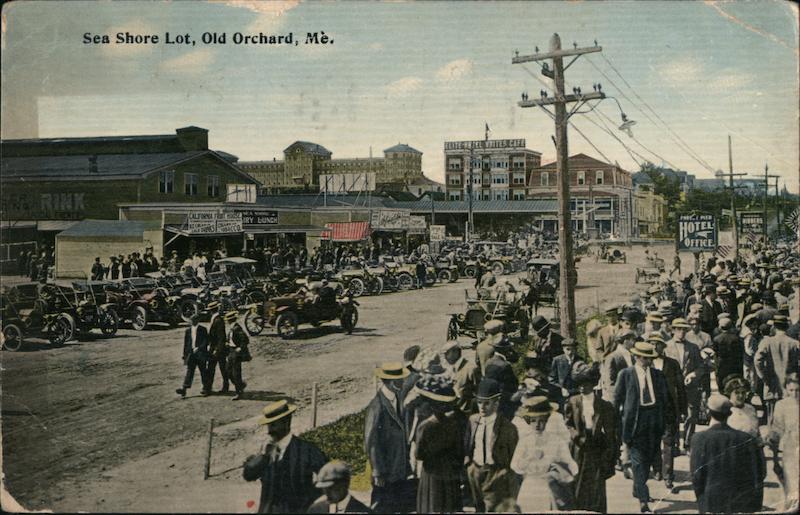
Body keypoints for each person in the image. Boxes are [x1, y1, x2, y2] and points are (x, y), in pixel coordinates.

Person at [243, 400, 328, 513]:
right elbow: (248, 475)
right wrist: (264, 456)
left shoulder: (306, 449)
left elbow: (331, 476)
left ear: (286, 422)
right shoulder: (265, 453)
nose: (270, 430)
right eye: (268, 425)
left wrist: (309, 500)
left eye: (273, 424)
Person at [614, 341, 669, 513]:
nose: (649, 361)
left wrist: (668, 421)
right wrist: (616, 424)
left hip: (653, 420)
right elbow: (617, 400)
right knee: (637, 461)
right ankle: (643, 500)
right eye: (646, 358)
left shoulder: (658, 375)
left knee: (647, 461)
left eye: (650, 358)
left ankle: (637, 488)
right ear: (637, 357)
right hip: (634, 422)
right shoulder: (626, 374)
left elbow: (665, 400)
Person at [689, 394, 765, 513]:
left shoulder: (699, 439)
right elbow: (759, 473)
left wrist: (701, 500)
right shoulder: (746, 439)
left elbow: (697, 476)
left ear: (709, 413)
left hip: (711, 501)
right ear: (729, 414)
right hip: (740, 503)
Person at [565, 361, 618, 513]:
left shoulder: (604, 406)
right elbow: (567, 424)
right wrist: (576, 436)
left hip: (596, 449)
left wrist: (609, 455)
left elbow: (610, 433)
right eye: (579, 384)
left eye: (586, 383)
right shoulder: (573, 402)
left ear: (593, 384)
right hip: (578, 449)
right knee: (577, 485)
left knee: (596, 488)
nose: (582, 387)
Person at [364, 362, 415, 514]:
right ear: (390, 382)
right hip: (385, 467)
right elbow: (371, 441)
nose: (403, 382)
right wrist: (377, 471)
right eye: (399, 380)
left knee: (398, 502)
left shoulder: (397, 398)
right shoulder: (377, 406)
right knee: (382, 504)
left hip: (398, 464)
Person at [511, 395, 577, 512]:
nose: (537, 425)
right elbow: (514, 465)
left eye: (541, 420)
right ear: (528, 421)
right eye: (533, 421)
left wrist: (557, 469)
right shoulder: (525, 441)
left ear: (547, 420)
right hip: (529, 486)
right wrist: (528, 460)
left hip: (549, 487)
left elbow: (572, 465)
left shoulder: (556, 441)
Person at [414, 374, 467, 513]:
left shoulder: (425, 426)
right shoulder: (454, 423)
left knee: (431, 505)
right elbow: (460, 450)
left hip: (431, 474)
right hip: (450, 473)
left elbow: (419, 454)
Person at [466, 378, 519, 513]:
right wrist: (470, 465)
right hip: (476, 471)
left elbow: (513, 456)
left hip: (495, 472)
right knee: (478, 508)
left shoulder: (507, 427)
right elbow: (468, 444)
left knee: (492, 508)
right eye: (479, 403)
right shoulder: (473, 421)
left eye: (486, 403)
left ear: (496, 403)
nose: (482, 407)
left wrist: (503, 473)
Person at [650, 332, 685, 491]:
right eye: (652, 343)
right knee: (652, 442)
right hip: (650, 410)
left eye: (658, 343)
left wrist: (683, 409)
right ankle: (657, 469)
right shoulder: (646, 364)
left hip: (669, 409)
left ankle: (668, 476)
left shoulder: (672, 364)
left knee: (668, 443)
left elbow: (680, 387)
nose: (655, 346)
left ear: (663, 346)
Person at [665, 317, 704, 454]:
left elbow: (701, 367)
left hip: (690, 387)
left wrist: (693, 375)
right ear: (673, 330)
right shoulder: (666, 347)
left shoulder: (693, 347)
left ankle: (688, 444)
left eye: (684, 329)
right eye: (678, 329)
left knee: (690, 415)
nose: (681, 332)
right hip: (672, 388)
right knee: (673, 416)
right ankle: (674, 444)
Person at [755, 315, 799, 422]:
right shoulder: (794, 343)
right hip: (790, 385)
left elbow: (757, 360)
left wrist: (763, 376)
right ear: (787, 326)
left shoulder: (766, 342)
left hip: (772, 385)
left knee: (772, 418)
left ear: (774, 327)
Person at [767, 373, 799, 511]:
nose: (794, 394)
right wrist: (775, 458)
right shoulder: (781, 405)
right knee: (791, 486)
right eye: (791, 390)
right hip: (789, 450)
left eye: (798, 390)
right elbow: (776, 430)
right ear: (786, 388)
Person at [483, 336, 519, 419]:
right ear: (505, 349)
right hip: (503, 402)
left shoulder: (489, 362)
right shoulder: (505, 365)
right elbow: (512, 385)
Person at [176, 314, 210, 398]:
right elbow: (186, 344)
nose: (192, 322)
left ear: (197, 320)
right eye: (191, 320)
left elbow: (206, 341)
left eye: (194, 320)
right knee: (190, 371)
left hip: (200, 354)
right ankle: (184, 389)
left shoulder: (203, 329)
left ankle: (206, 389)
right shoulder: (188, 330)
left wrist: (199, 348)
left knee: (203, 371)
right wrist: (184, 355)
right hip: (191, 354)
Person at [443, 340, 480, 415]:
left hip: (466, 414)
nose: (445, 357)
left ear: (455, 352)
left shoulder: (471, 368)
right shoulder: (451, 368)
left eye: (447, 353)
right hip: (453, 412)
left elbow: (479, 393)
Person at [224, 311, 251, 400]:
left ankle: (239, 392)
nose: (227, 321)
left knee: (236, 373)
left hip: (236, 352)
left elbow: (245, 340)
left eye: (228, 320)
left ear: (230, 320)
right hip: (231, 351)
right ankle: (240, 385)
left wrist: (240, 348)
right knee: (228, 371)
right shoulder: (232, 328)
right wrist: (228, 343)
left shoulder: (237, 328)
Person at [712, 317, 744, 391]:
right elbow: (740, 352)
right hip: (734, 363)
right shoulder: (736, 338)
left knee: (721, 382)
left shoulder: (716, 339)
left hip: (721, 364)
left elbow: (715, 352)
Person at [548, 338, 584, 403]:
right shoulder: (557, 360)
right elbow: (551, 379)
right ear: (563, 349)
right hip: (562, 394)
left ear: (576, 350)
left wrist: (582, 386)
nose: (570, 352)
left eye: (573, 349)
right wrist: (561, 389)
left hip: (576, 393)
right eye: (567, 349)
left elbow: (583, 377)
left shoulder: (580, 360)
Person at [205, 302, 229, 394]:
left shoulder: (218, 320)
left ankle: (209, 388)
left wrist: (216, 350)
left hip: (217, 349)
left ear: (211, 310)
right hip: (215, 348)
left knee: (215, 369)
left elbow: (221, 337)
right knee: (221, 368)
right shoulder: (216, 319)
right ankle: (211, 388)